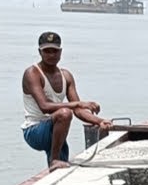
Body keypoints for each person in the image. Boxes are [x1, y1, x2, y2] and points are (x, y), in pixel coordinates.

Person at [21, 32, 110, 170]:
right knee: (65, 113)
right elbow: (44, 106)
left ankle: (55, 163)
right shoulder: (32, 73)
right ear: (40, 52)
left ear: (60, 52)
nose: (51, 55)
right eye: (47, 51)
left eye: (55, 51)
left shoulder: (66, 76)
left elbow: (79, 111)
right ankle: (54, 159)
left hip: (56, 128)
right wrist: (77, 104)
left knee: (62, 170)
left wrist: (99, 121)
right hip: (34, 130)